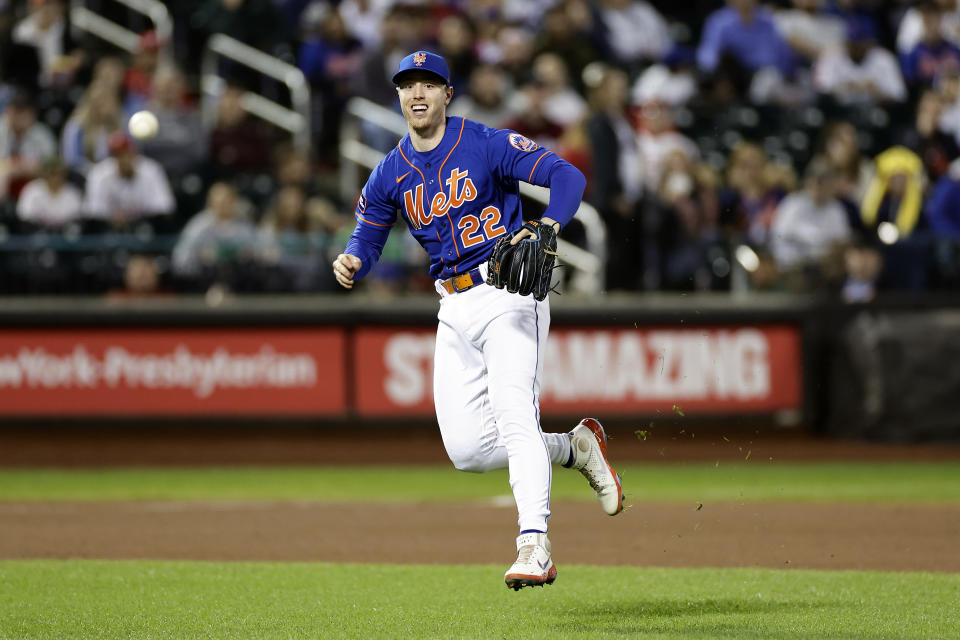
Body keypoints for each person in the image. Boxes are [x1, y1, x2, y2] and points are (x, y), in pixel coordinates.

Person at [331, 51, 623, 590]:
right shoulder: (390, 170)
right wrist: (353, 258)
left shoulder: (485, 142)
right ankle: (574, 446)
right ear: (397, 97)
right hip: (453, 306)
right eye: (408, 85)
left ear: (447, 94)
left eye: (429, 84)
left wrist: (549, 227)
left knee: (515, 413)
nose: (417, 94)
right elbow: (369, 232)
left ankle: (534, 545)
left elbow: (567, 177)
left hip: (509, 290)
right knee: (468, 451)